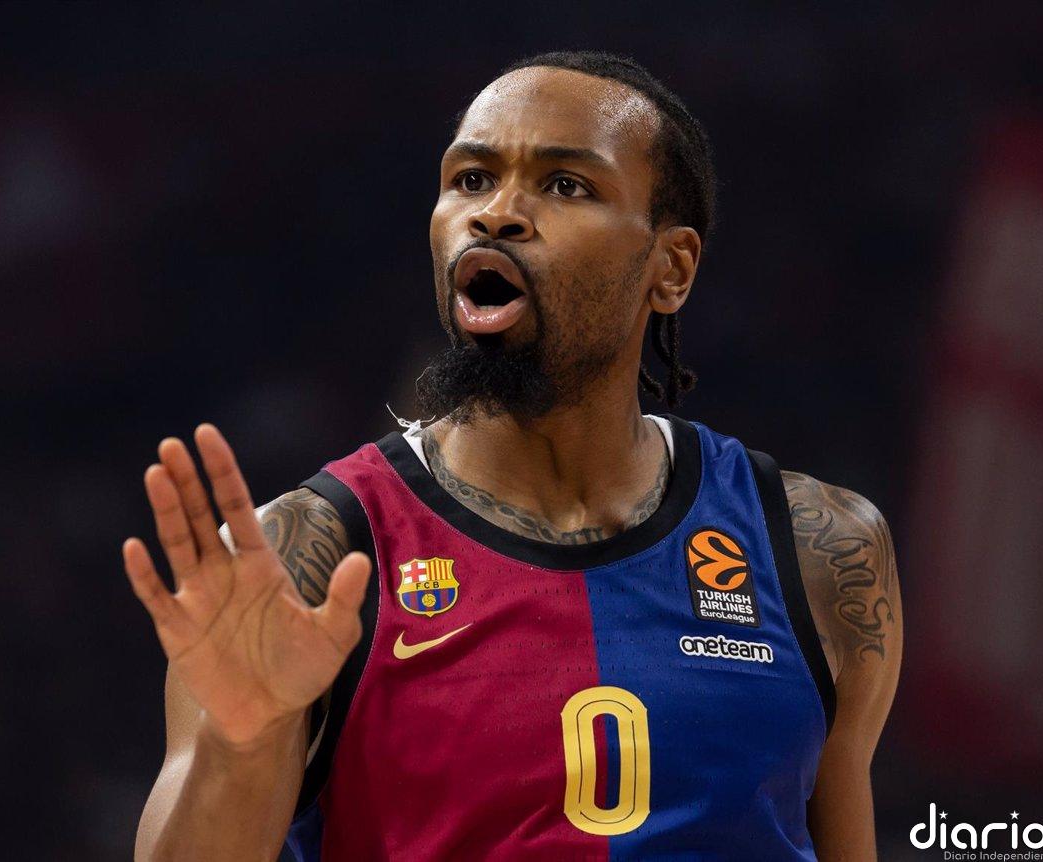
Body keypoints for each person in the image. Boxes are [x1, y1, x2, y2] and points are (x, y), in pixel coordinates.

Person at [124, 50, 902, 861]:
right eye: (471, 179)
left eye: (566, 185)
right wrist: (242, 744)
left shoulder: (818, 548)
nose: (497, 214)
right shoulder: (312, 559)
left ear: (671, 268)